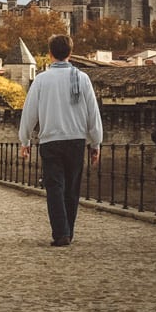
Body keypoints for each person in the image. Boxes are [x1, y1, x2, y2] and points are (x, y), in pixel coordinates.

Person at [18, 34, 103, 246]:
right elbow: (93, 113)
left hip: (50, 140)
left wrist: (25, 140)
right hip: (75, 140)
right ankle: (68, 231)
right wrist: (95, 142)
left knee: (54, 187)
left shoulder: (41, 80)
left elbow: (30, 113)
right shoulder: (82, 78)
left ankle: (61, 232)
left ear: (50, 53)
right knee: (72, 189)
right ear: (70, 53)